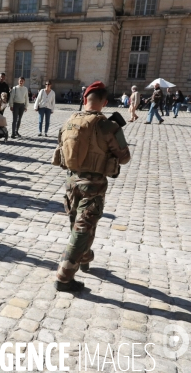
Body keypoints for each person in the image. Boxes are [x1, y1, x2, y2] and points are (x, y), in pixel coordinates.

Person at [52, 81, 131, 292]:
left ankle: (84, 258)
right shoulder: (107, 125)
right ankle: (64, 276)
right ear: (104, 102)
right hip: (93, 184)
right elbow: (124, 158)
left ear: (84, 100)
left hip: (71, 182)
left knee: (77, 223)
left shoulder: (69, 121)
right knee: (82, 228)